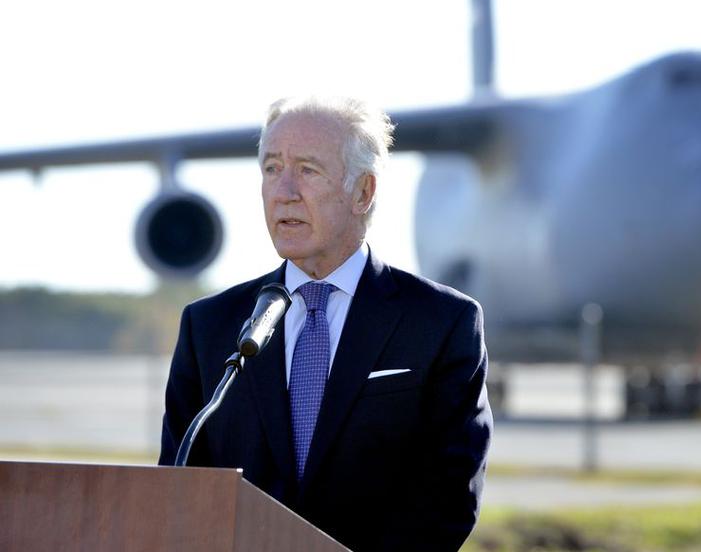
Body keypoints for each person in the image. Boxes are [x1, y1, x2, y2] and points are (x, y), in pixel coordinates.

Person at [159, 96, 493, 551]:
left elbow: (449, 497)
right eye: (272, 168)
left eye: (308, 170)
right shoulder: (209, 326)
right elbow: (179, 491)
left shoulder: (441, 324)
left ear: (363, 192)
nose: (284, 191)